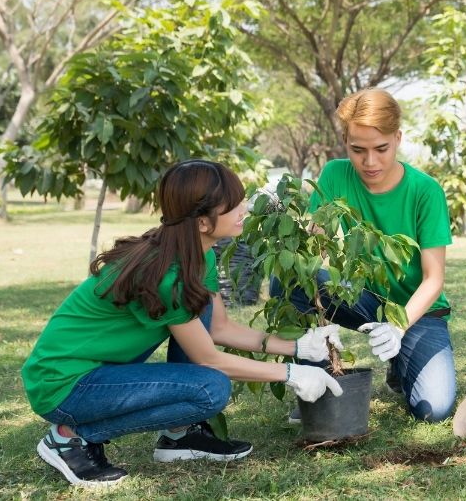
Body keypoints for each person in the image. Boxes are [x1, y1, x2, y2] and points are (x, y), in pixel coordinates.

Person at [22, 160, 343, 488]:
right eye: (232, 205)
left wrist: (299, 345)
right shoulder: (169, 275)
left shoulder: (199, 255)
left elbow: (218, 329)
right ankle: (69, 438)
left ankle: (180, 435)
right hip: (64, 385)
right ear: (203, 222)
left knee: (201, 311)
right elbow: (208, 359)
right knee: (211, 389)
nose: (244, 209)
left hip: (98, 373)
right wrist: (291, 373)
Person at [271, 88, 456, 423]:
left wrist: (398, 327)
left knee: (434, 409)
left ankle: (400, 363)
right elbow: (315, 249)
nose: (370, 162)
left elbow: (434, 279)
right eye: (358, 150)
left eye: (381, 149)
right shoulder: (334, 174)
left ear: (397, 138)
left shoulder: (425, 191)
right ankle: (319, 383)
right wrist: (289, 225)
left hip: (417, 311)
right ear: (345, 142)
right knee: (292, 279)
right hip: (363, 299)